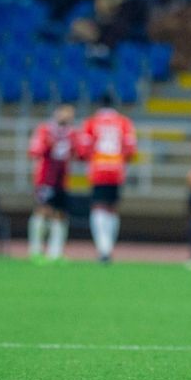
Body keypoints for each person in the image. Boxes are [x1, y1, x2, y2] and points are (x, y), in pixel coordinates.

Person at [79, 94, 136, 263]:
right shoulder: (124, 122)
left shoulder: (91, 122)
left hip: (98, 168)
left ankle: (102, 248)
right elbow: (130, 149)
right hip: (116, 169)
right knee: (112, 208)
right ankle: (109, 247)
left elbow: (83, 149)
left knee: (98, 207)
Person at [27, 105, 80, 262]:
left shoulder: (72, 133)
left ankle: (55, 252)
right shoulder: (45, 130)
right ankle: (35, 250)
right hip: (45, 178)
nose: (67, 117)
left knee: (60, 214)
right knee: (42, 210)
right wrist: (48, 144)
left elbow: (78, 153)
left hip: (62, 180)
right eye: (64, 113)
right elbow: (34, 151)